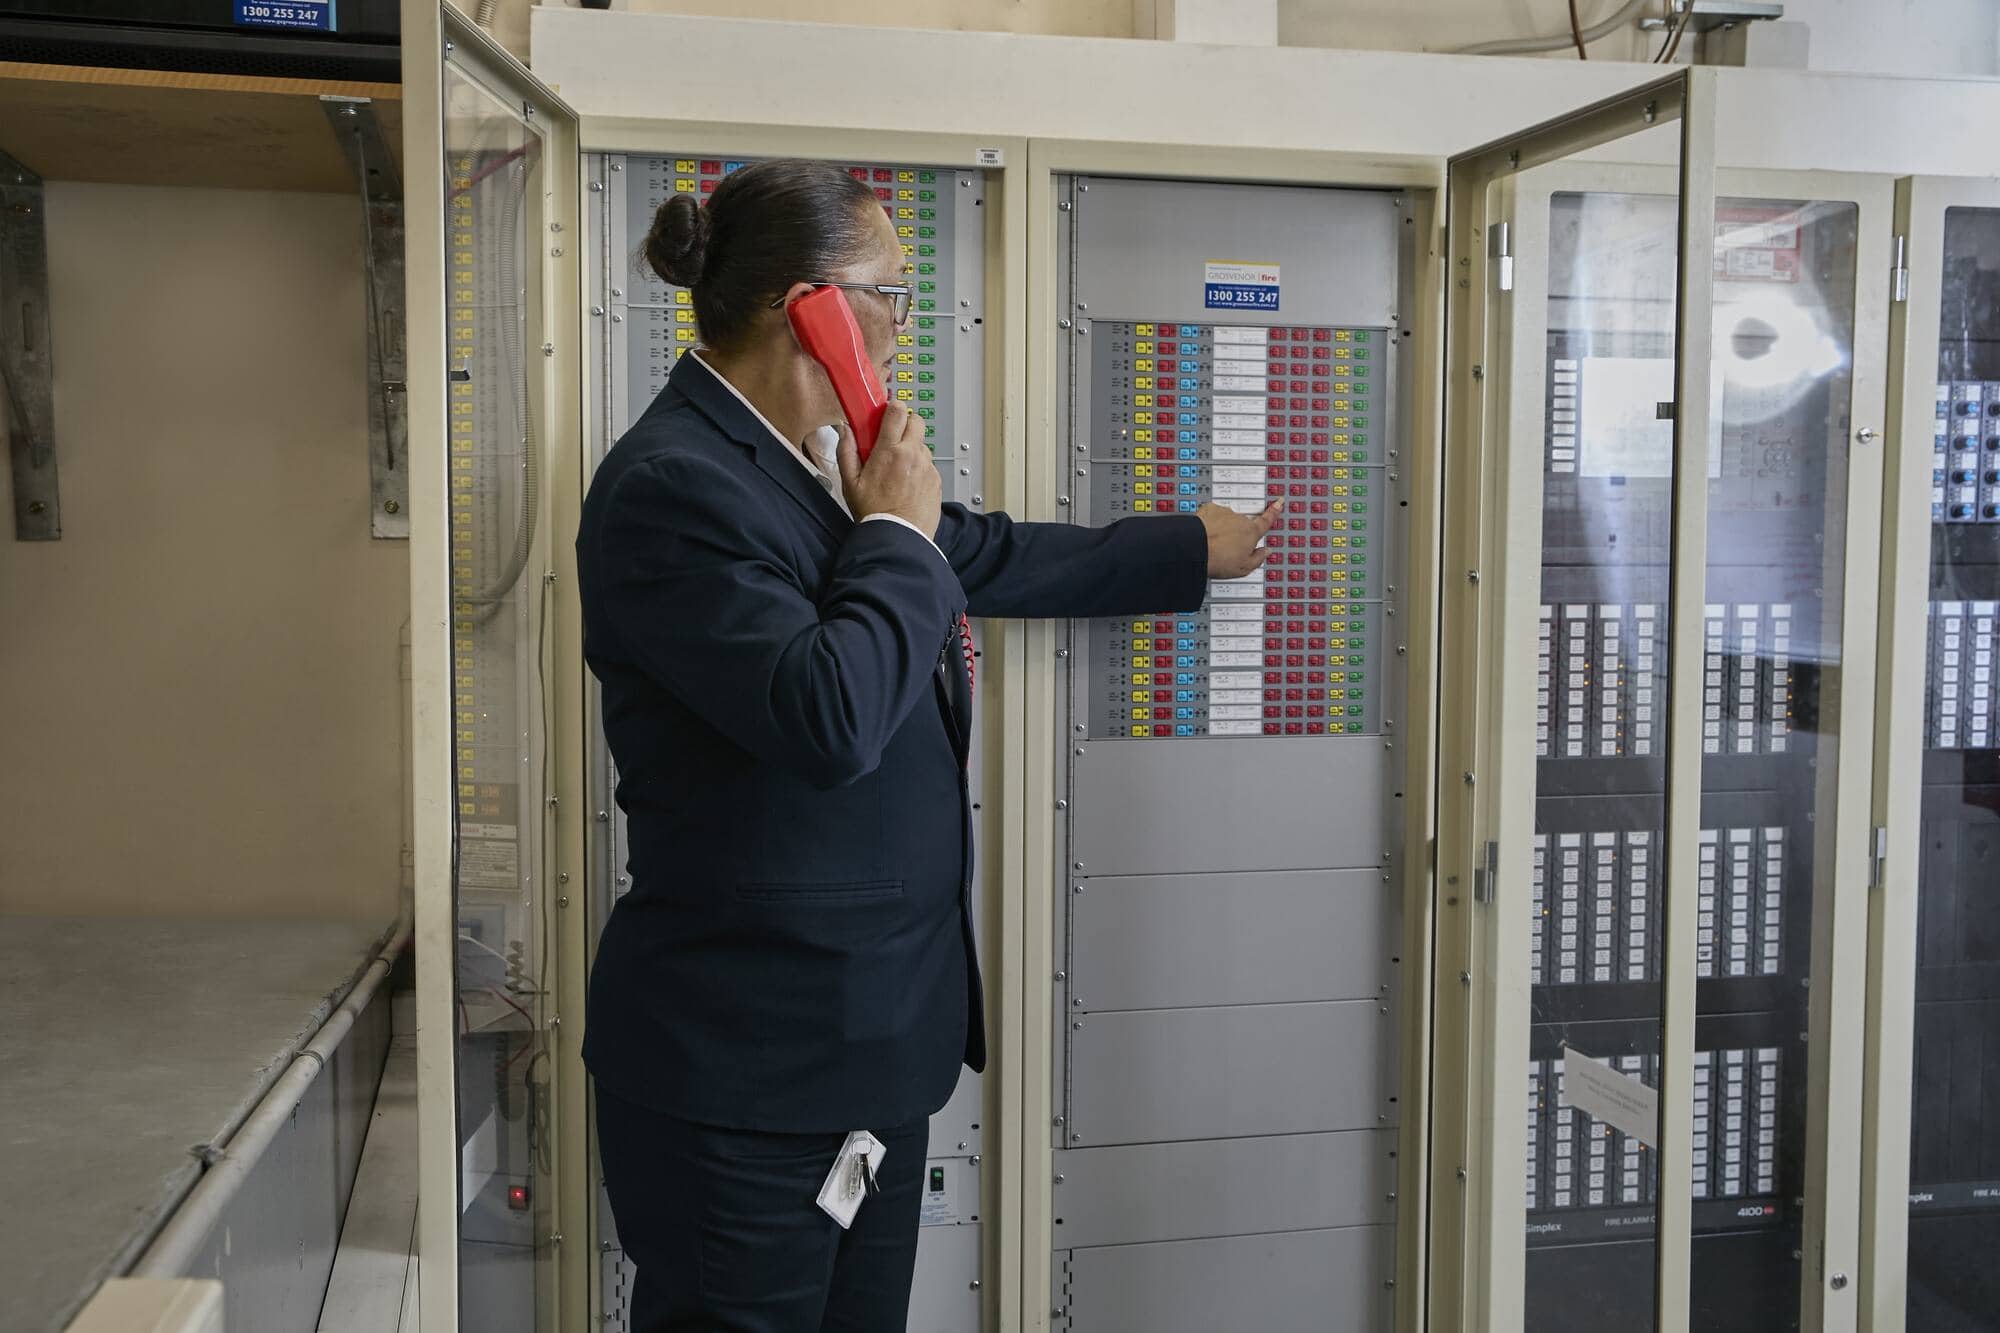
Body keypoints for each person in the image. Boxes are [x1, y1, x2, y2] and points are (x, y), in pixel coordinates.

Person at [576, 158, 1275, 1332]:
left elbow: (978, 552)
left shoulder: (812, 464)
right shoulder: (671, 485)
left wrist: (1177, 550)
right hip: (748, 1083)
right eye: (890, 292)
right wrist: (893, 529)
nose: (906, 322)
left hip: (867, 1058)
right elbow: (827, 713)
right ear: (812, 309)